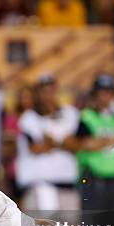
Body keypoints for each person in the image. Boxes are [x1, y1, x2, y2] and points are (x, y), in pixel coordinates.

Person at [16, 74, 81, 213]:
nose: (48, 95)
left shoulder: (71, 113)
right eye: (43, 91)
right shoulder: (28, 118)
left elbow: (77, 144)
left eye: (51, 90)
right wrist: (62, 142)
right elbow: (36, 148)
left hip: (67, 182)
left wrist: (53, 142)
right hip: (39, 184)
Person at [74, 74, 114, 226]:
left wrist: (101, 141)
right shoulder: (87, 116)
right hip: (93, 178)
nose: (105, 96)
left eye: (109, 92)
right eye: (102, 92)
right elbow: (84, 143)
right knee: (93, 224)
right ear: (95, 94)